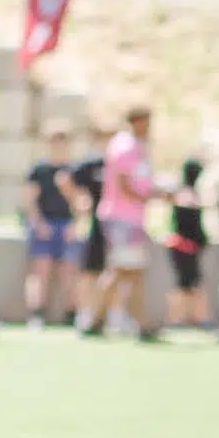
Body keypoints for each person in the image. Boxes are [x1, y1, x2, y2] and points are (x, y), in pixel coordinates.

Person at [87, 104, 162, 340]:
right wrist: (152, 196)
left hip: (133, 218)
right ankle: (97, 319)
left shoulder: (139, 147)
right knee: (121, 269)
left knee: (132, 271)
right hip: (121, 218)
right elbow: (124, 184)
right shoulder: (124, 146)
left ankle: (131, 322)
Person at [22, 123, 81, 329]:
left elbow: (80, 202)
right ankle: (36, 313)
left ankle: (72, 313)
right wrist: (38, 223)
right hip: (44, 225)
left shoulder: (73, 171)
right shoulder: (39, 170)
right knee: (41, 271)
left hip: (66, 225)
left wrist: (74, 223)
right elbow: (30, 200)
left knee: (69, 271)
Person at [69, 128, 111, 329]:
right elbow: (66, 180)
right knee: (89, 271)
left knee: (114, 271)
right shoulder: (90, 164)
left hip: (115, 224)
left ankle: (108, 314)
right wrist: (78, 202)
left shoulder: (117, 161)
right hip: (94, 224)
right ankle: (85, 313)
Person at [166, 158, 210, 329]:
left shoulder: (189, 193)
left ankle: (195, 317)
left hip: (189, 247)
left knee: (191, 283)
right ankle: (177, 319)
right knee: (185, 283)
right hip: (183, 246)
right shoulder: (185, 194)